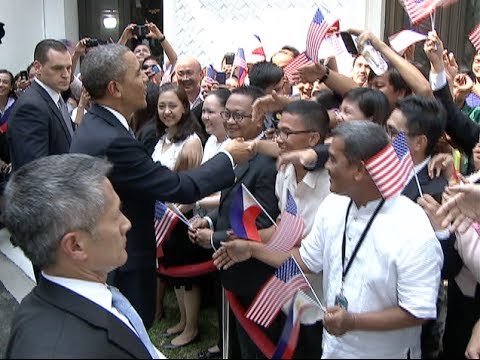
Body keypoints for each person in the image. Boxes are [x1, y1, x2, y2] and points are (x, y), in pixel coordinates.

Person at [213, 121, 443, 358]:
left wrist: (353, 321)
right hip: (333, 349)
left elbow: (418, 311)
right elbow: (306, 260)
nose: (326, 166)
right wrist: (252, 249)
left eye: (333, 159)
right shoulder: (333, 204)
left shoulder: (412, 227)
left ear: (359, 170)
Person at [4, 153, 165, 359]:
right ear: (76, 246)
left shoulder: (42, 306)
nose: (126, 224)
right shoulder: (62, 351)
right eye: (115, 215)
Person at [189, 86, 280, 358]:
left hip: (255, 273)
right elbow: (232, 204)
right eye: (227, 114)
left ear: (259, 116)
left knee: (256, 346)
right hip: (232, 269)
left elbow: (260, 224)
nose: (229, 121)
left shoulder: (267, 163)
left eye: (239, 116)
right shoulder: (238, 152)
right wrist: (208, 220)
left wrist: (214, 239)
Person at [7, 39, 74, 282]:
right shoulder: (32, 106)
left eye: (68, 67)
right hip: (48, 216)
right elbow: (34, 172)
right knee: (54, 284)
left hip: (62, 210)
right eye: (58, 68)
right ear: (37, 66)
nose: (66, 74)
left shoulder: (55, 97)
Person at [152, 83, 206, 348]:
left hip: (181, 219)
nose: (166, 111)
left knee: (187, 278)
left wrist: (171, 214)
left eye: (172, 105)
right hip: (163, 218)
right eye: (162, 106)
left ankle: (192, 327)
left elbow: (192, 190)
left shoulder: (191, 142)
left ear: (185, 107)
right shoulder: (163, 137)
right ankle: (183, 321)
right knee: (173, 274)